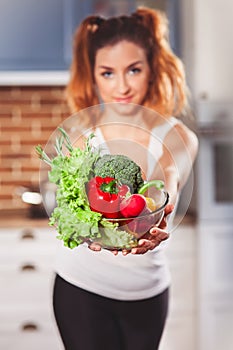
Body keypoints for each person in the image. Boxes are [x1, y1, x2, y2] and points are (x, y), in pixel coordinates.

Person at [52, 7, 198, 350]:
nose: (121, 86)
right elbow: (70, 209)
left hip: (147, 291)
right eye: (107, 73)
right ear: (94, 77)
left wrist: (152, 213)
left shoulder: (178, 135)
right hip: (81, 288)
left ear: (152, 70)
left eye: (133, 69)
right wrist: (86, 228)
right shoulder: (76, 134)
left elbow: (166, 176)